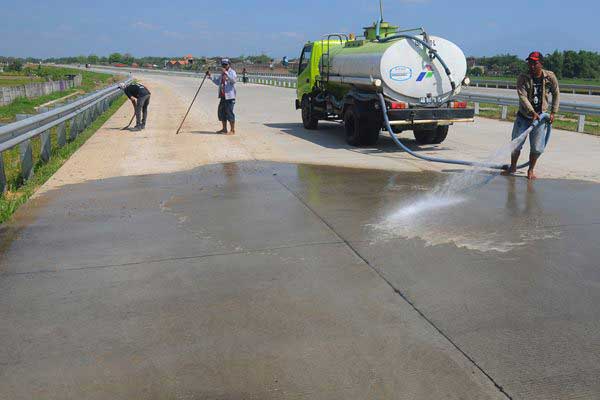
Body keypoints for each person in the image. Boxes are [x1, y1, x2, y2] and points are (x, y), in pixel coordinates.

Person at [506, 51, 560, 180]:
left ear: (541, 63)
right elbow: (522, 97)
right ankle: (513, 167)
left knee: (536, 147)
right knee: (516, 144)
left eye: (535, 63)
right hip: (524, 116)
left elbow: (556, 93)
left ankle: (530, 170)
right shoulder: (523, 78)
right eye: (530, 62)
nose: (532, 65)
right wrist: (532, 112)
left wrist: (553, 112)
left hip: (540, 118)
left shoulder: (550, 77)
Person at [216, 59, 237, 134]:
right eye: (223, 64)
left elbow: (233, 80)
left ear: (229, 64)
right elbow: (217, 82)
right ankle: (224, 129)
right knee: (222, 113)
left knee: (229, 113)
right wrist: (209, 76)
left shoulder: (232, 72)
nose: (224, 66)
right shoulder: (222, 74)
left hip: (230, 97)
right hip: (223, 96)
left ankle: (232, 130)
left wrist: (226, 73)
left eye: (226, 64)